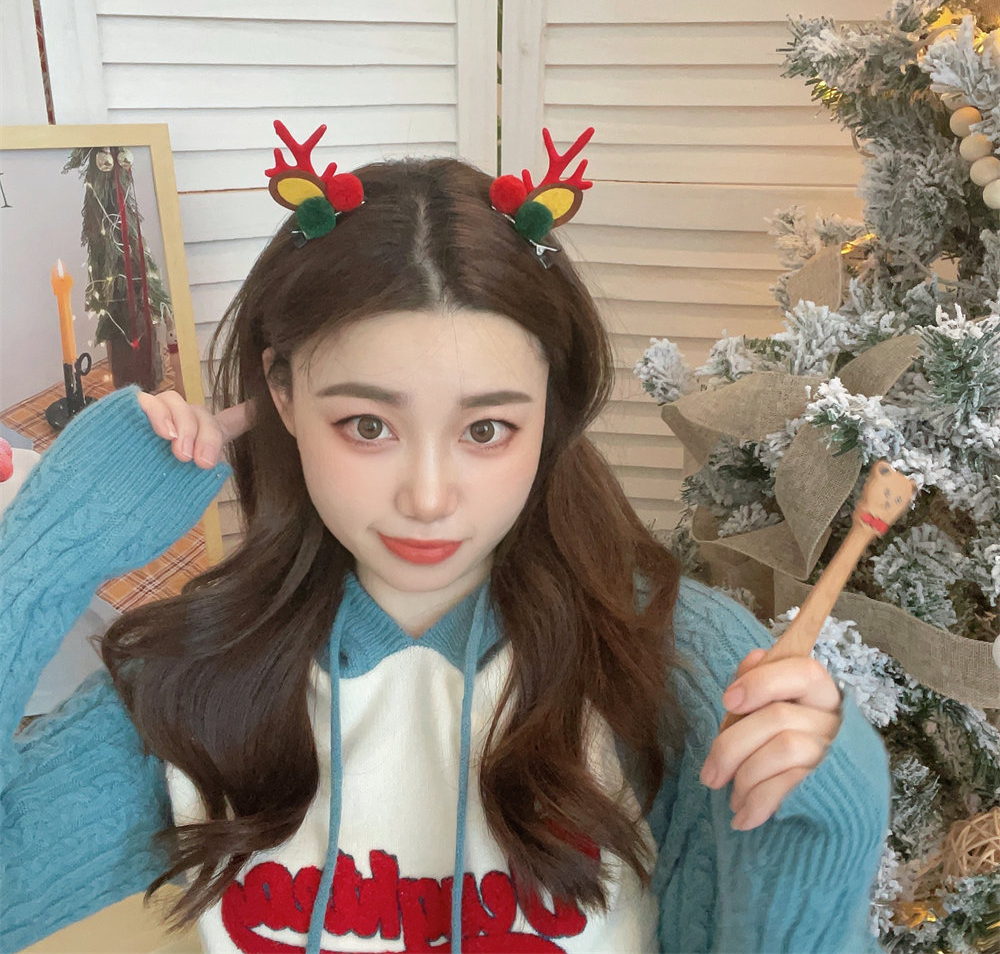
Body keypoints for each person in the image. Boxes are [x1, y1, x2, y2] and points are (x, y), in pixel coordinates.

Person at [1, 146, 890, 954]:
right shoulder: (199, 675)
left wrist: (831, 819)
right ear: (282, 390)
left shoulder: (668, 657)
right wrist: (52, 543)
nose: (428, 499)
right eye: (367, 425)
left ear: (552, 411)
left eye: (487, 429)